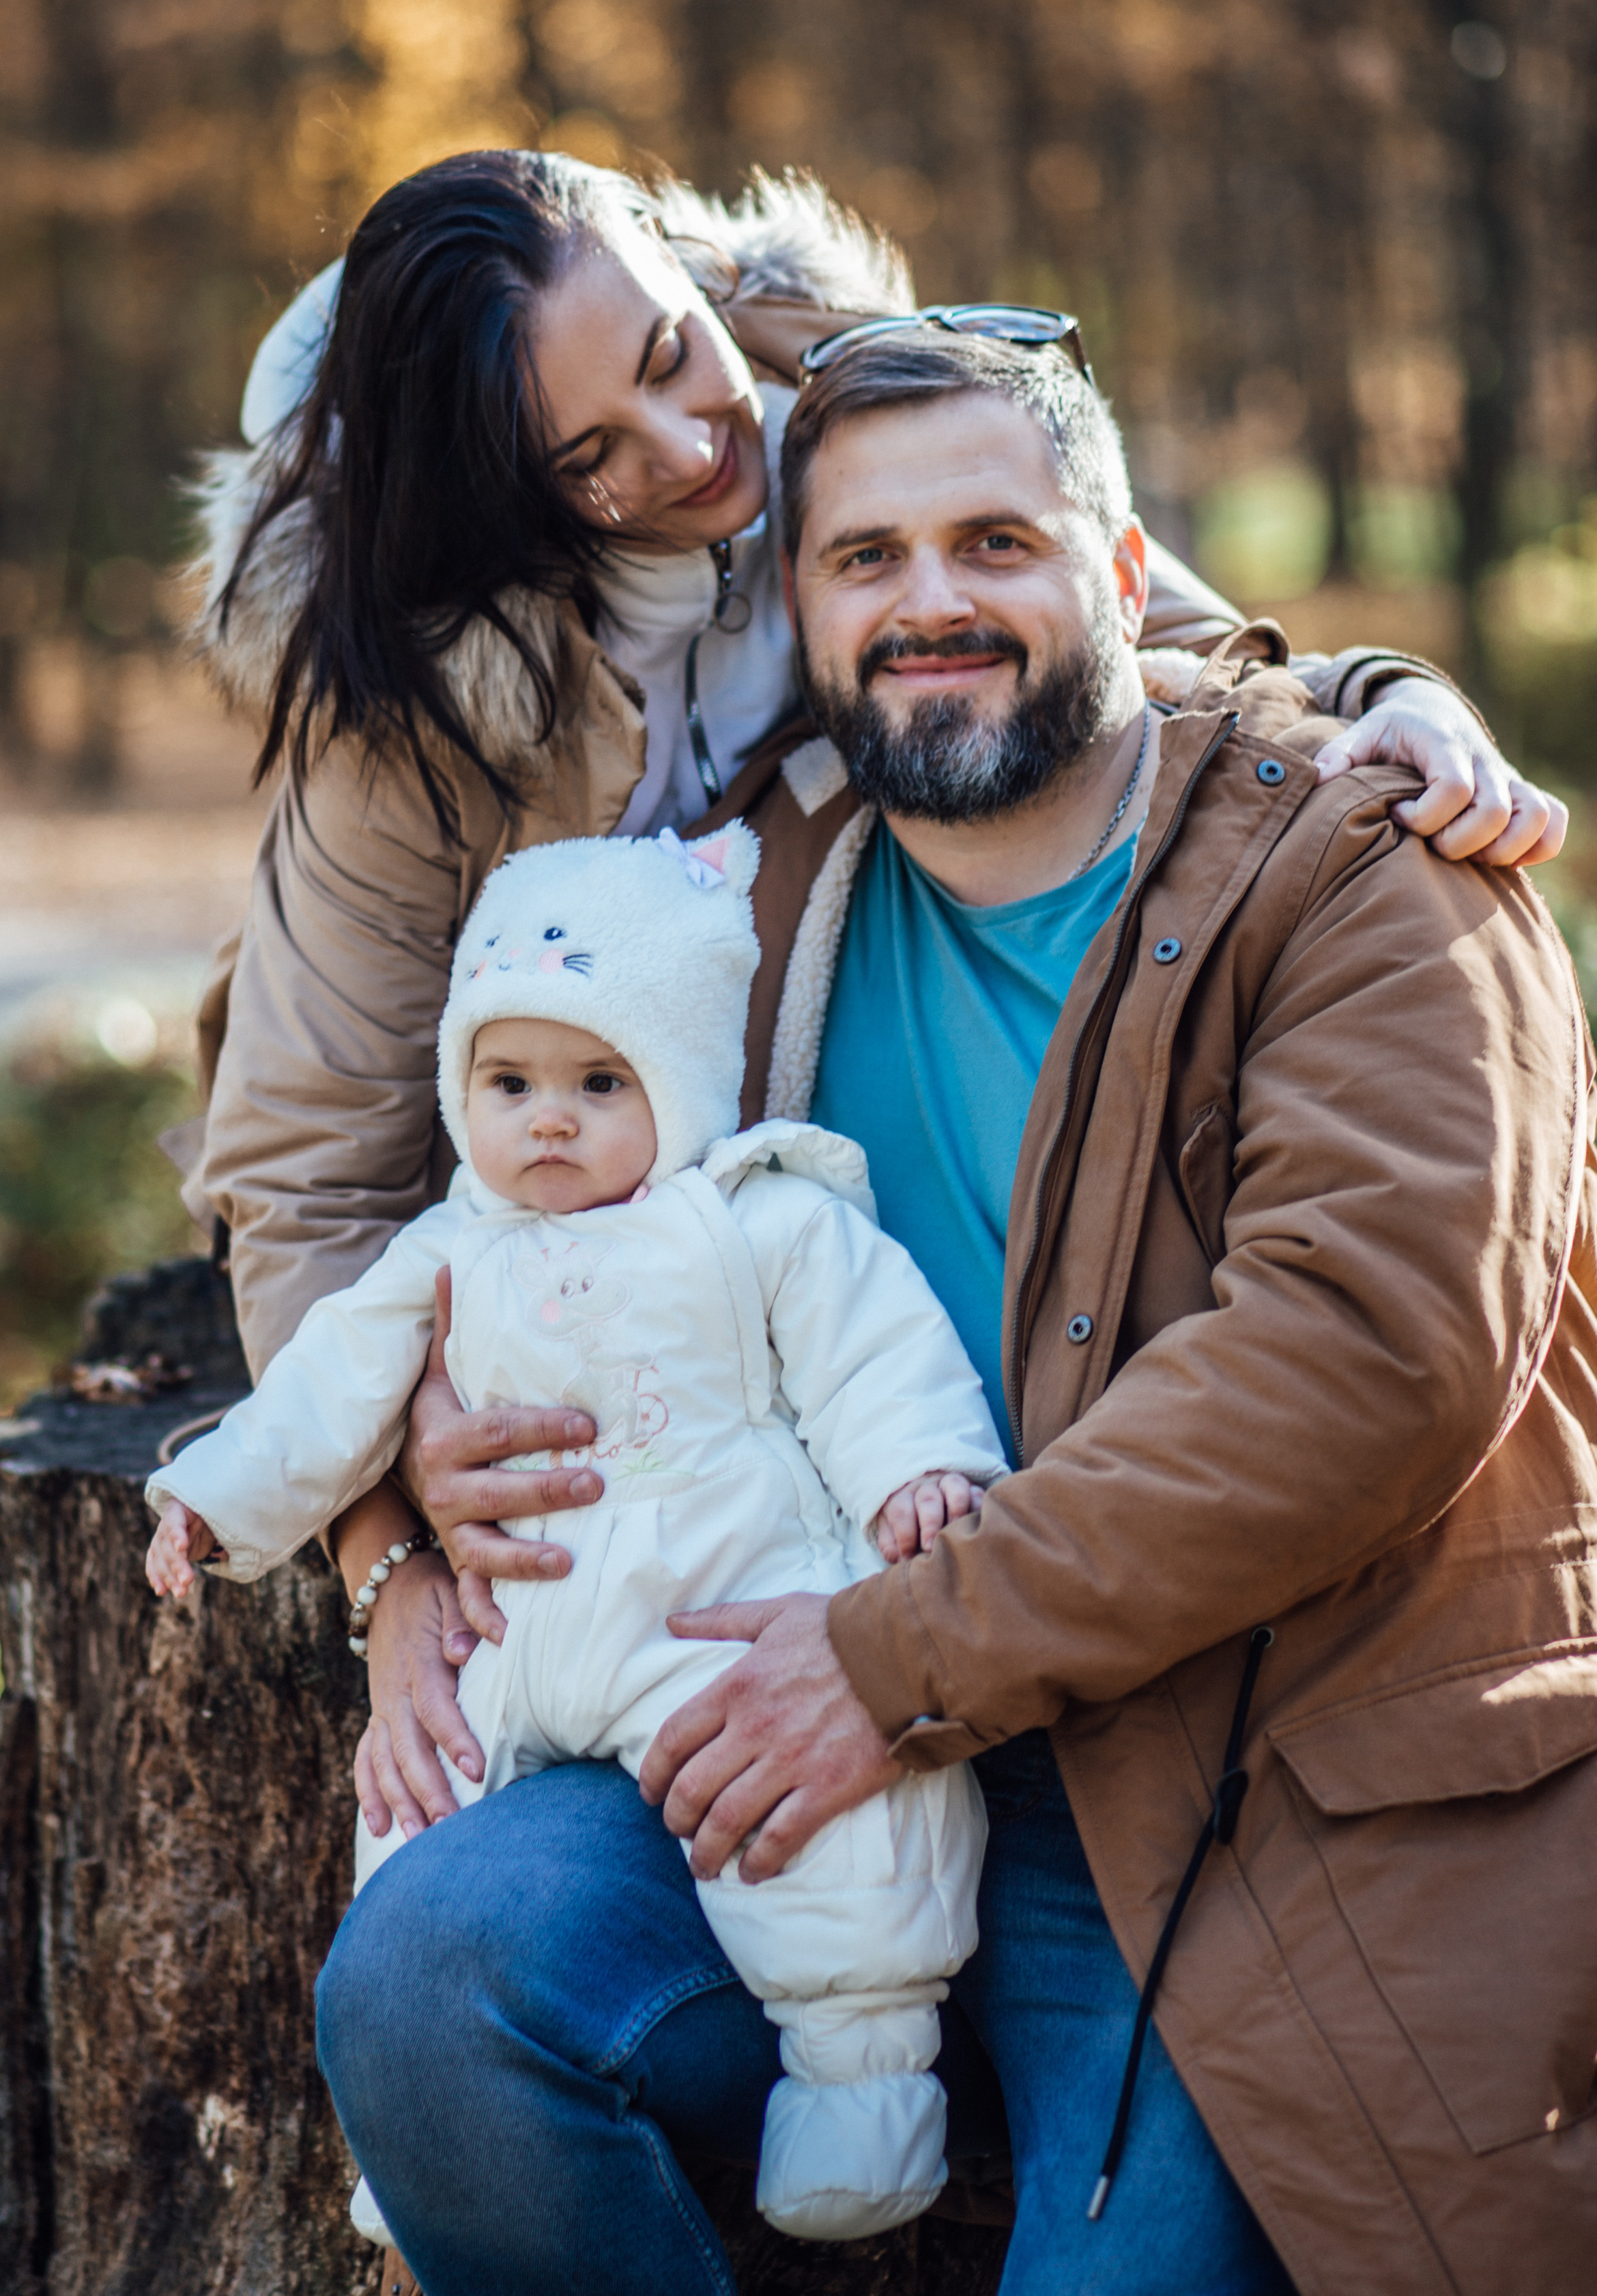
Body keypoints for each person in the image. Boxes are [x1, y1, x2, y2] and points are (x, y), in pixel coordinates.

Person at [322, 325, 1597, 2296]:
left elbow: (1375, 1354)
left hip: (1226, 1785)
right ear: (804, 617)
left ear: (1120, 577)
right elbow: (485, 1180)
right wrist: (399, 1477)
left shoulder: (1367, 866)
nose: (935, 604)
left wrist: (900, 1651)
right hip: (788, 1728)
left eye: (997, 543)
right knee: (435, 1988)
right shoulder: (746, 908)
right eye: (870, 561)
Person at [172, 147, 1565, 1854]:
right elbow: (309, 1168)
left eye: (673, 357)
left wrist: (1391, 694)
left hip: (810, 1266)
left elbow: (1145, 644)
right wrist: (385, 1534)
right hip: (560, 1274)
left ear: (692, 279)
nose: (694, 453)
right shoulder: (405, 703)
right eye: (589, 459)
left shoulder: (841, 390)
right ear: (493, 497)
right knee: (482, 1934)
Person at [147, 823, 1007, 2246]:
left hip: (713, 1610)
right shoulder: (445, 1250)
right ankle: (420, 2133)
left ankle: (859, 2077)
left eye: (599, 1083)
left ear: (679, 1082)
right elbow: (321, 1397)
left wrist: (917, 1472)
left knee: (816, 1829)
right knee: (413, 1818)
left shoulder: (757, 1217)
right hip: (521, 1629)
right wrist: (218, 1496)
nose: (549, 1120)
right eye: (509, 1083)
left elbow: (872, 1357)